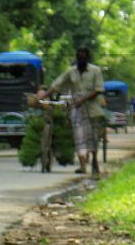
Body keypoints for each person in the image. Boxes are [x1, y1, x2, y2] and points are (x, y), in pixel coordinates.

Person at [39, 47, 106, 175]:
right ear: (77, 58)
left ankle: (94, 161)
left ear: (87, 59)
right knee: (79, 136)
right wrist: (44, 95)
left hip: (92, 109)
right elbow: (57, 84)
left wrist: (84, 100)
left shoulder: (95, 71)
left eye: (84, 57)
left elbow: (99, 89)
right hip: (77, 109)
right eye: (79, 57)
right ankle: (82, 166)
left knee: (92, 137)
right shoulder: (71, 72)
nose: (81, 59)